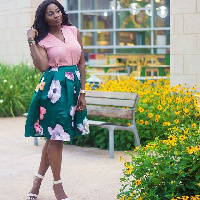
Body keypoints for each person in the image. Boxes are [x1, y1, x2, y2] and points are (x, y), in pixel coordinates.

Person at [25, 0, 89, 199]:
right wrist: (31, 41)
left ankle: (37, 181)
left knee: (54, 137)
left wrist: (83, 93)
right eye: (50, 13)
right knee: (57, 138)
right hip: (54, 90)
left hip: (74, 88)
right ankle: (57, 185)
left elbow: (81, 62)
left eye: (58, 11)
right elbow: (42, 66)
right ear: (44, 18)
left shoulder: (73, 30)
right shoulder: (42, 40)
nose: (56, 15)